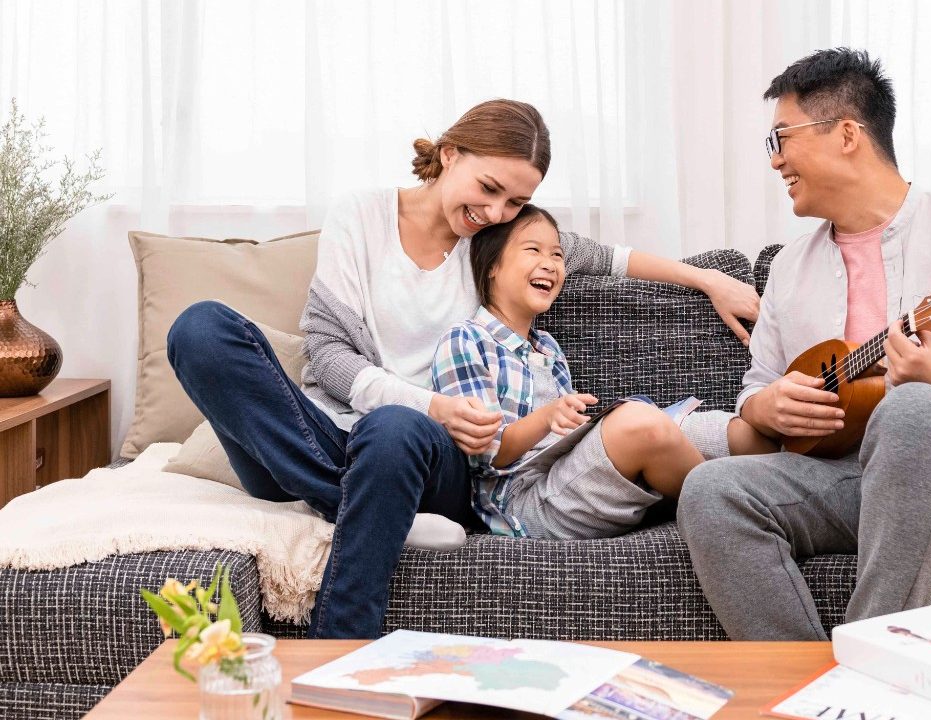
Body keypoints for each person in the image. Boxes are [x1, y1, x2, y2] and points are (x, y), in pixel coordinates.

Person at [167, 99, 759, 638]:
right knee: (200, 330)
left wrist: (708, 278)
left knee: (394, 429)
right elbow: (328, 353)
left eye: (515, 203)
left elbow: (610, 258)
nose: (496, 211)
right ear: (450, 154)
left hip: (427, 458)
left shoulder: (493, 240)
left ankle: (341, 639)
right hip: (310, 443)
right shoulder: (362, 216)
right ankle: (371, 506)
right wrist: (433, 405)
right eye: (489, 187)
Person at [677, 49, 931, 640]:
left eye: (782, 138)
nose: (776, 159)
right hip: (850, 480)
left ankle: (872, 660)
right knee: (710, 488)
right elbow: (756, 388)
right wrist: (765, 406)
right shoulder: (789, 267)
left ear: (846, 135)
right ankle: (803, 683)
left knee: (913, 409)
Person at [431, 203, 776, 540]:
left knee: (723, 430)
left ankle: (795, 492)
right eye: (533, 250)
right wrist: (548, 417)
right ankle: (735, 513)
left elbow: (564, 438)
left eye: (557, 255)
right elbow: (485, 453)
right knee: (639, 423)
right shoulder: (465, 339)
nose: (549, 263)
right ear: (491, 265)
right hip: (523, 503)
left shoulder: (547, 346)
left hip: (566, 469)